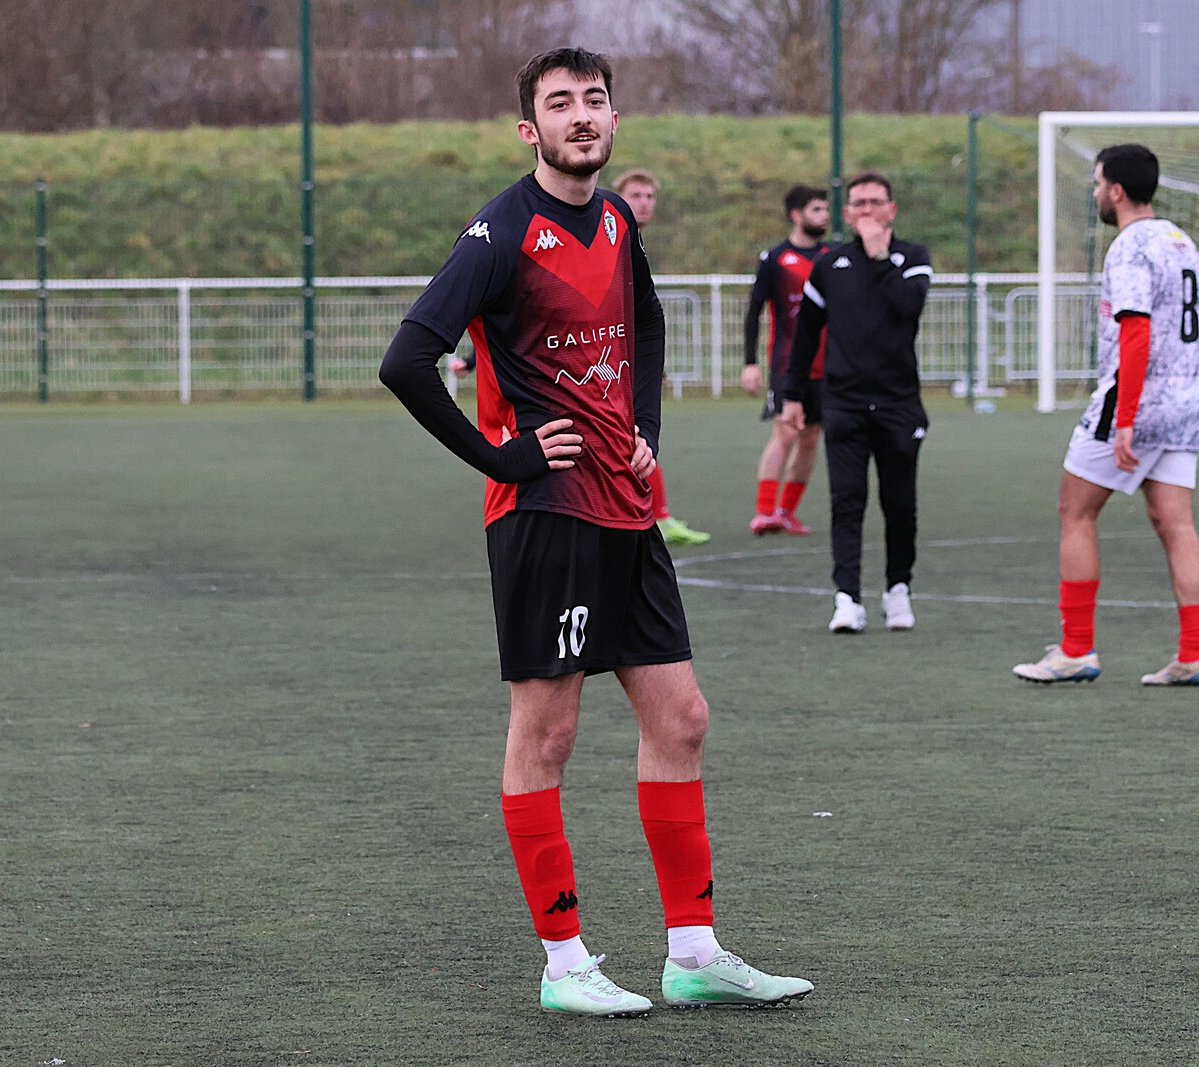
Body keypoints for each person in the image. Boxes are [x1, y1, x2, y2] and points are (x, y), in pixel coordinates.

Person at [380, 47, 811, 1017]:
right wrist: (500, 457)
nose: (581, 115)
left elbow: (645, 323)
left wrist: (645, 429)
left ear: (615, 120)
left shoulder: (616, 217)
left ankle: (692, 952)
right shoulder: (499, 232)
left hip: (625, 505)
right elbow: (406, 359)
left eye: (595, 100)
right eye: (560, 103)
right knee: (549, 731)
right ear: (528, 129)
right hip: (544, 515)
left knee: (682, 718)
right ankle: (564, 961)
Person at [1014, 144, 1199, 686]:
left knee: (1075, 512)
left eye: (1098, 183)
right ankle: (1195, 655)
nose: (1095, 192)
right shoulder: (1180, 240)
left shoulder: (1130, 247)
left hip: (1138, 399)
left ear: (1117, 191)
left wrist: (1125, 418)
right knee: (1176, 522)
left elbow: (1136, 330)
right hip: (1186, 400)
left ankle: (1076, 650)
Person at [782, 172, 931, 634]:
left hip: (899, 404)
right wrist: (792, 394)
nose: (867, 210)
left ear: (892, 209)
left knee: (899, 503)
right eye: (859, 204)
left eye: (875, 202)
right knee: (847, 500)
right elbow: (806, 335)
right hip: (844, 403)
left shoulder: (912, 258)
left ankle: (898, 589)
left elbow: (908, 308)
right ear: (846, 214)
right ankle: (847, 598)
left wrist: (880, 256)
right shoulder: (830, 265)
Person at [612, 168, 710, 547]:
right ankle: (650, 516)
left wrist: (650, 365)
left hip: (623, 359)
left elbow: (637, 313)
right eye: (636, 196)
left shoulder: (631, 240)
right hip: (599, 361)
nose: (644, 203)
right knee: (627, 437)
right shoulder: (605, 236)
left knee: (634, 436)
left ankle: (656, 515)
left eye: (650, 197)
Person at [743, 185, 831, 536]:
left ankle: (787, 512)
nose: (824, 215)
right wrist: (750, 363)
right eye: (816, 209)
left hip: (826, 365)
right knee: (785, 432)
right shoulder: (776, 259)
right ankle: (764, 512)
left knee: (811, 437)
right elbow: (753, 312)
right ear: (796, 215)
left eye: (825, 209)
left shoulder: (832, 257)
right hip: (786, 365)